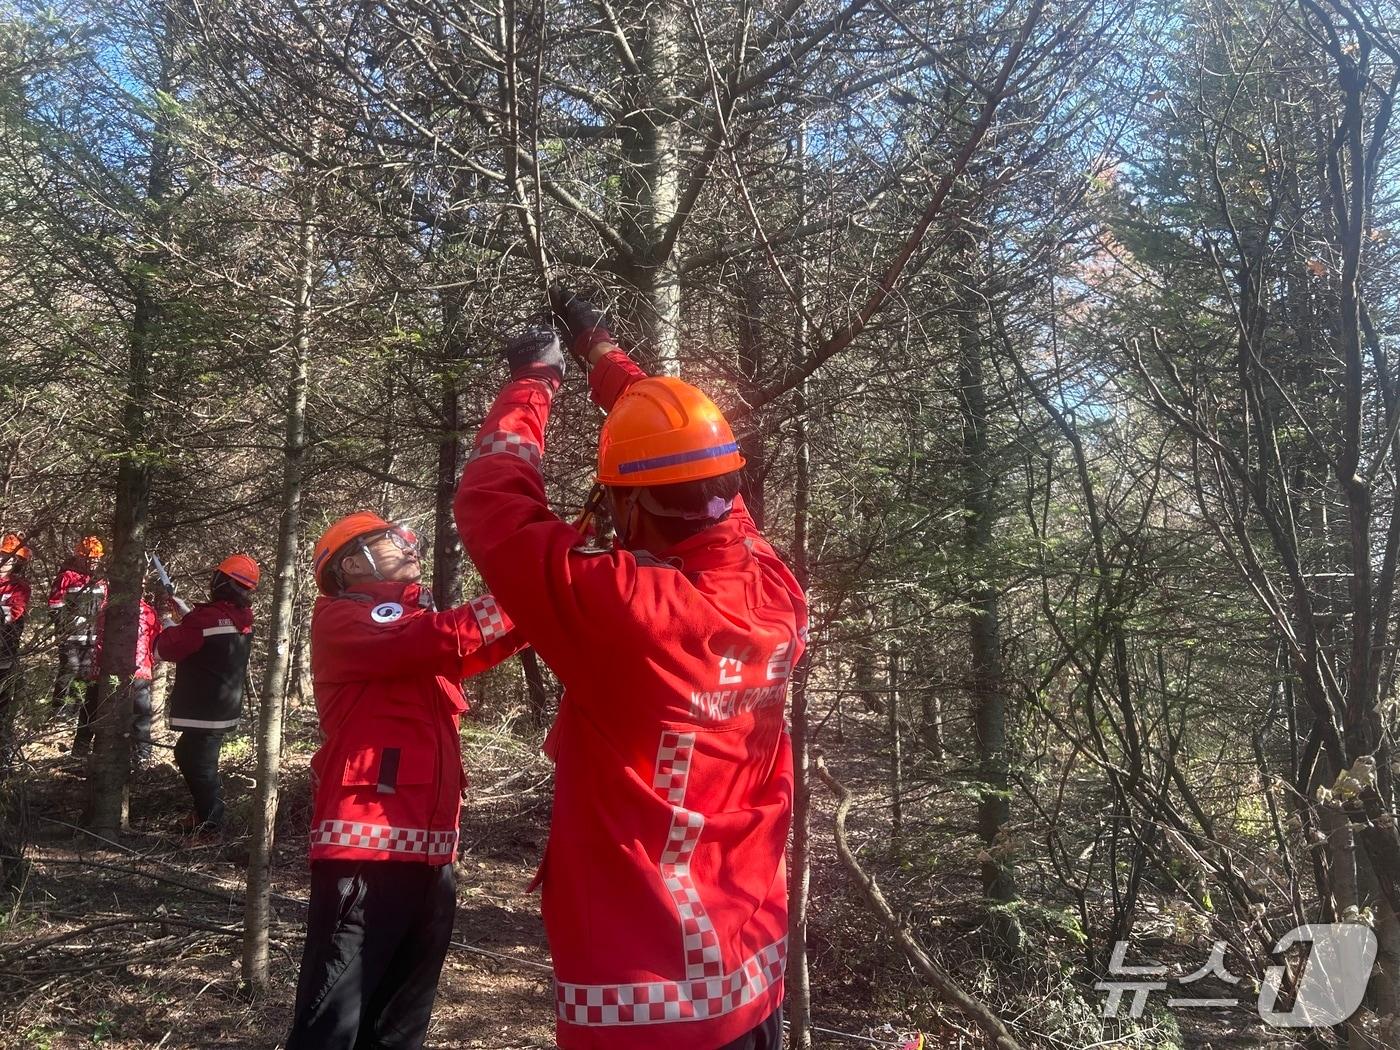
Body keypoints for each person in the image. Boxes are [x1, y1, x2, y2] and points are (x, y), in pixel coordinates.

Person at [455, 292, 808, 1050]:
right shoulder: (770, 581)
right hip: (748, 964)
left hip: (645, 991)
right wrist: (598, 351)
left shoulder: (627, 608)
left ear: (637, 503)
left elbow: (492, 504)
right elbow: (687, 453)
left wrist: (532, 383)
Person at [285, 512, 523, 1050]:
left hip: (433, 857)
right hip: (367, 855)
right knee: (333, 1025)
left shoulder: (413, 628)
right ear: (351, 563)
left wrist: (552, 591)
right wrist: (532, 587)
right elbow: (441, 637)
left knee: (401, 1025)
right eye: (389, 539)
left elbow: (478, 644)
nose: (408, 544)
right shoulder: (345, 619)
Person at [154, 553, 258, 834]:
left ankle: (211, 823)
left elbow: (167, 649)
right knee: (189, 754)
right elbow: (212, 632)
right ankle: (204, 815)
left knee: (198, 763)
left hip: (204, 706)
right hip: (222, 706)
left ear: (220, 582)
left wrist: (165, 621)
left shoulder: (207, 619)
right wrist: (187, 614)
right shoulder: (242, 617)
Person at [73, 592, 159, 764]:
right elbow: (155, 639)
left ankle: (79, 751)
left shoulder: (106, 608)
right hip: (135, 669)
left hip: (111, 668)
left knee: (91, 709)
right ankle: (142, 756)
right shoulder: (147, 610)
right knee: (139, 716)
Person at [48, 536, 108, 714]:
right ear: (79, 557)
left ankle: (76, 710)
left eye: (97, 559)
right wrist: (63, 629)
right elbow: (54, 605)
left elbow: (104, 606)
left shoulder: (101, 580)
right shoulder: (67, 577)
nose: (93, 563)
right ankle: (60, 711)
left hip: (92, 636)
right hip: (71, 635)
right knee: (69, 669)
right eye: (90, 559)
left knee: (85, 673)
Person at [0, 534, 33, 769]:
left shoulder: (18, 587)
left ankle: (4, 755)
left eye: (10, 558)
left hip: (4, 652)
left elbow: (14, 614)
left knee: (2, 707)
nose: (5, 561)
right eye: (2, 556)